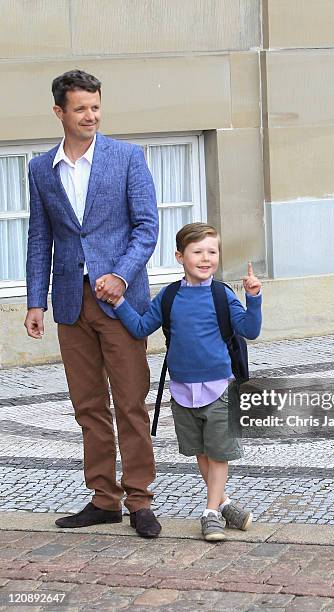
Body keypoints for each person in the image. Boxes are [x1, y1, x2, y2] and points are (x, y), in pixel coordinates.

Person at [24, 70, 162, 538]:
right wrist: (34, 301)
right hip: (68, 301)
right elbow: (40, 236)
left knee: (130, 404)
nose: (91, 116)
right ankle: (104, 499)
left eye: (96, 107)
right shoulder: (41, 168)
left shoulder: (127, 157)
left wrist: (121, 276)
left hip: (121, 303)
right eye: (81, 108)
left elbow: (147, 226)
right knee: (88, 406)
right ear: (59, 112)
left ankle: (140, 498)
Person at [111, 222, 262, 541]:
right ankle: (224, 504)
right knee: (202, 453)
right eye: (198, 252)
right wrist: (118, 303)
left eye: (212, 251)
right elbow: (140, 328)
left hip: (221, 389)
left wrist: (254, 298)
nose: (206, 258)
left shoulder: (223, 294)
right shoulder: (169, 297)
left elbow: (250, 329)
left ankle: (209, 513)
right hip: (181, 392)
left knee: (218, 453)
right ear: (180, 256)